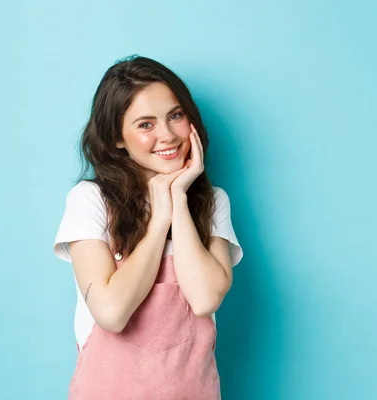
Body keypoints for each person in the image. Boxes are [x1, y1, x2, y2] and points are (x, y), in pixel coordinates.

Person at [53, 55, 243, 399]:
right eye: (145, 124)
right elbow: (111, 313)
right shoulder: (90, 200)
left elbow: (204, 299)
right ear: (117, 139)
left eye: (175, 115)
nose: (167, 135)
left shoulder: (214, 201)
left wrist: (179, 198)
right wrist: (159, 221)